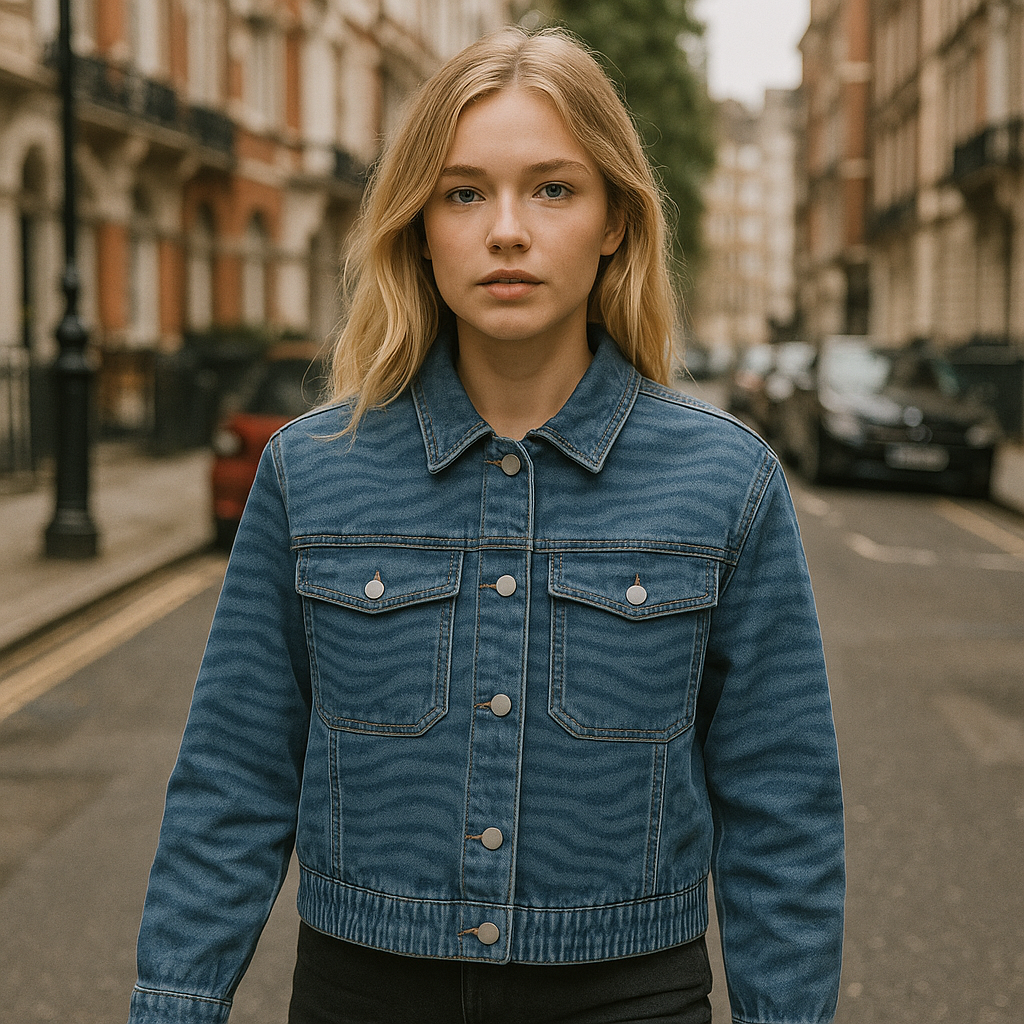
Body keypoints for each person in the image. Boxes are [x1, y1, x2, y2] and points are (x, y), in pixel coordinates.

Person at [128, 26, 845, 1024]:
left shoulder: (727, 480)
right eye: (464, 192)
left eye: (552, 188)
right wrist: (174, 1001)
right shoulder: (310, 471)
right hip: (362, 993)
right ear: (419, 224)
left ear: (613, 222)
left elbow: (783, 811)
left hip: (626, 994)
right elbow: (232, 779)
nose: (506, 229)